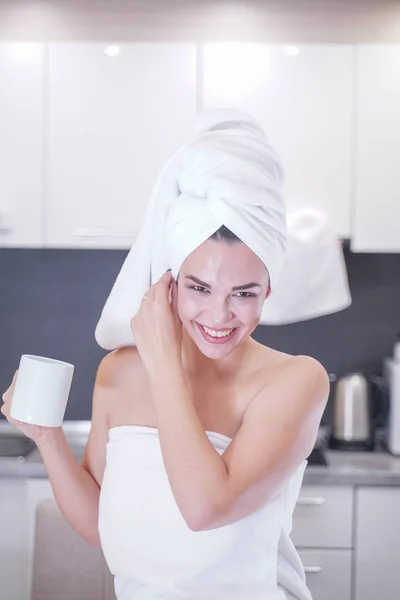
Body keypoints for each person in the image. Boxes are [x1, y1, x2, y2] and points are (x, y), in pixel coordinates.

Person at [1, 110, 329, 600]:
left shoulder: (296, 381)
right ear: (169, 284)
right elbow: (98, 527)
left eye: (244, 293)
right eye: (199, 287)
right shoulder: (119, 372)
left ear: (268, 290)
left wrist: (162, 363)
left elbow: (205, 508)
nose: (219, 316)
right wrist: (47, 438)